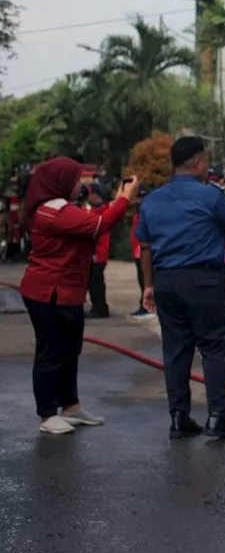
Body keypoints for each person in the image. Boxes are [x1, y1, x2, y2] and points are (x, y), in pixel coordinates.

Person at [136, 135, 225, 440]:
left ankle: (179, 416)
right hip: (204, 281)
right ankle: (217, 415)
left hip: (166, 282)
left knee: (175, 349)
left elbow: (145, 247)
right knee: (213, 346)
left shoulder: (153, 200)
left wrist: (148, 286)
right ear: (198, 162)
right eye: (207, 160)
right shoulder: (210, 196)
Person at [19, 158, 138, 434]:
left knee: (69, 351)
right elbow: (99, 225)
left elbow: (93, 220)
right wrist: (124, 201)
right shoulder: (53, 212)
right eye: (76, 181)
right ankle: (47, 414)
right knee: (50, 353)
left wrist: (118, 200)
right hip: (48, 293)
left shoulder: (63, 210)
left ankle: (70, 407)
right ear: (60, 183)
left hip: (67, 293)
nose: (79, 186)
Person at [82, 183, 112, 319]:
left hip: (98, 252)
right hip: (94, 251)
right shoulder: (96, 209)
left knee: (96, 281)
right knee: (94, 281)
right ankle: (98, 306)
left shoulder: (101, 210)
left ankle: (100, 308)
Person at [129, 185, 155, 318]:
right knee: (141, 279)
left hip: (145, 251)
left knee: (147, 279)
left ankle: (148, 306)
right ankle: (144, 305)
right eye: (138, 197)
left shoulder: (148, 212)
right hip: (138, 250)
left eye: (142, 197)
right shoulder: (137, 212)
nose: (140, 200)